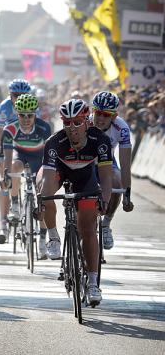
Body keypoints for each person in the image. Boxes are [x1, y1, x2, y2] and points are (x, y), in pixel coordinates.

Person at [38, 98, 113, 306]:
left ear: (87, 122)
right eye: (67, 123)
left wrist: (104, 200)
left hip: (86, 179)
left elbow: (106, 177)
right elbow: (47, 178)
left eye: (77, 122)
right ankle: (53, 236)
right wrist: (42, 201)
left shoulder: (100, 140)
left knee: (87, 229)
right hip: (61, 173)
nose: (72, 128)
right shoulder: (54, 142)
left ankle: (91, 282)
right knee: (44, 190)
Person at [0, 94, 51, 257]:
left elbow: (50, 154)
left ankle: (43, 238)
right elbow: (7, 157)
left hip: (39, 158)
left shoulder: (44, 127)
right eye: (22, 115)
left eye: (30, 115)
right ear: (17, 113)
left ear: (35, 114)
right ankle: (15, 204)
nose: (27, 119)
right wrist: (6, 176)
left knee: (42, 198)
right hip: (20, 155)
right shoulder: (10, 129)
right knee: (14, 167)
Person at [0, 79, 34, 241]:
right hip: (7, 143)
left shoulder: (32, 104)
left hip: (25, 143)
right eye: (16, 95)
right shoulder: (5, 107)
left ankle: (26, 208)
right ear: (10, 95)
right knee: (5, 183)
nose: (19, 98)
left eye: (23, 95)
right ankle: (3, 224)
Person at [90, 91, 134, 249]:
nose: (101, 118)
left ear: (114, 116)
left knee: (117, 182)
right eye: (98, 113)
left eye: (106, 115)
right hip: (86, 162)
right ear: (93, 111)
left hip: (107, 162)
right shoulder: (85, 123)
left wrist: (126, 194)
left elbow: (125, 164)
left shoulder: (121, 128)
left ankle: (106, 225)